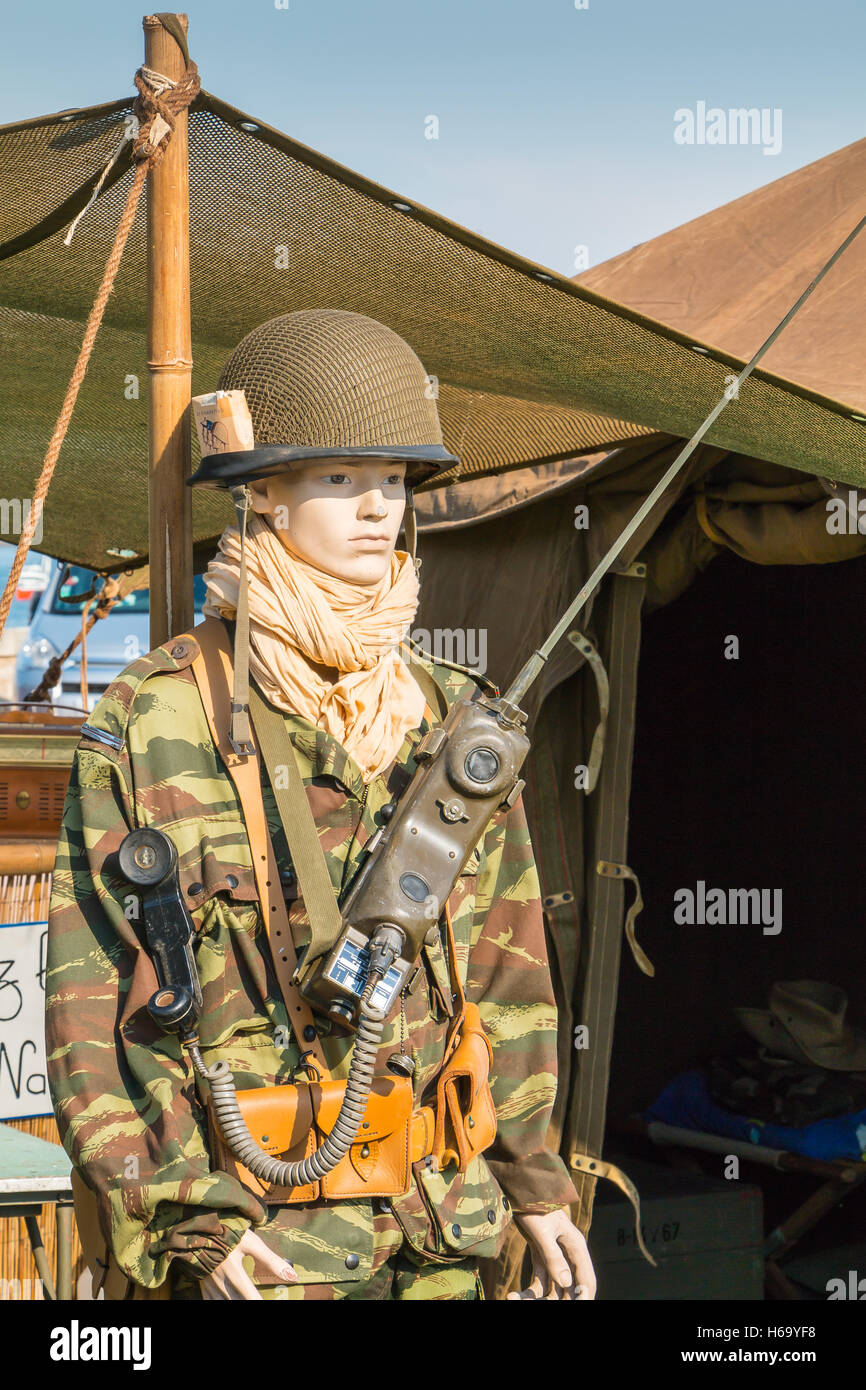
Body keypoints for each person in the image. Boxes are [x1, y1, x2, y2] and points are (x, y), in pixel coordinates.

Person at [46, 308, 596, 1301]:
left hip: (438, 1238)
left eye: (393, 481)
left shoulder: (449, 720)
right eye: (340, 478)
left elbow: (506, 968)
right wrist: (187, 1221)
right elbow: (96, 1009)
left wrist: (533, 1182)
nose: (378, 509)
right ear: (260, 493)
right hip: (261, 1251)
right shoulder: (154, 720)